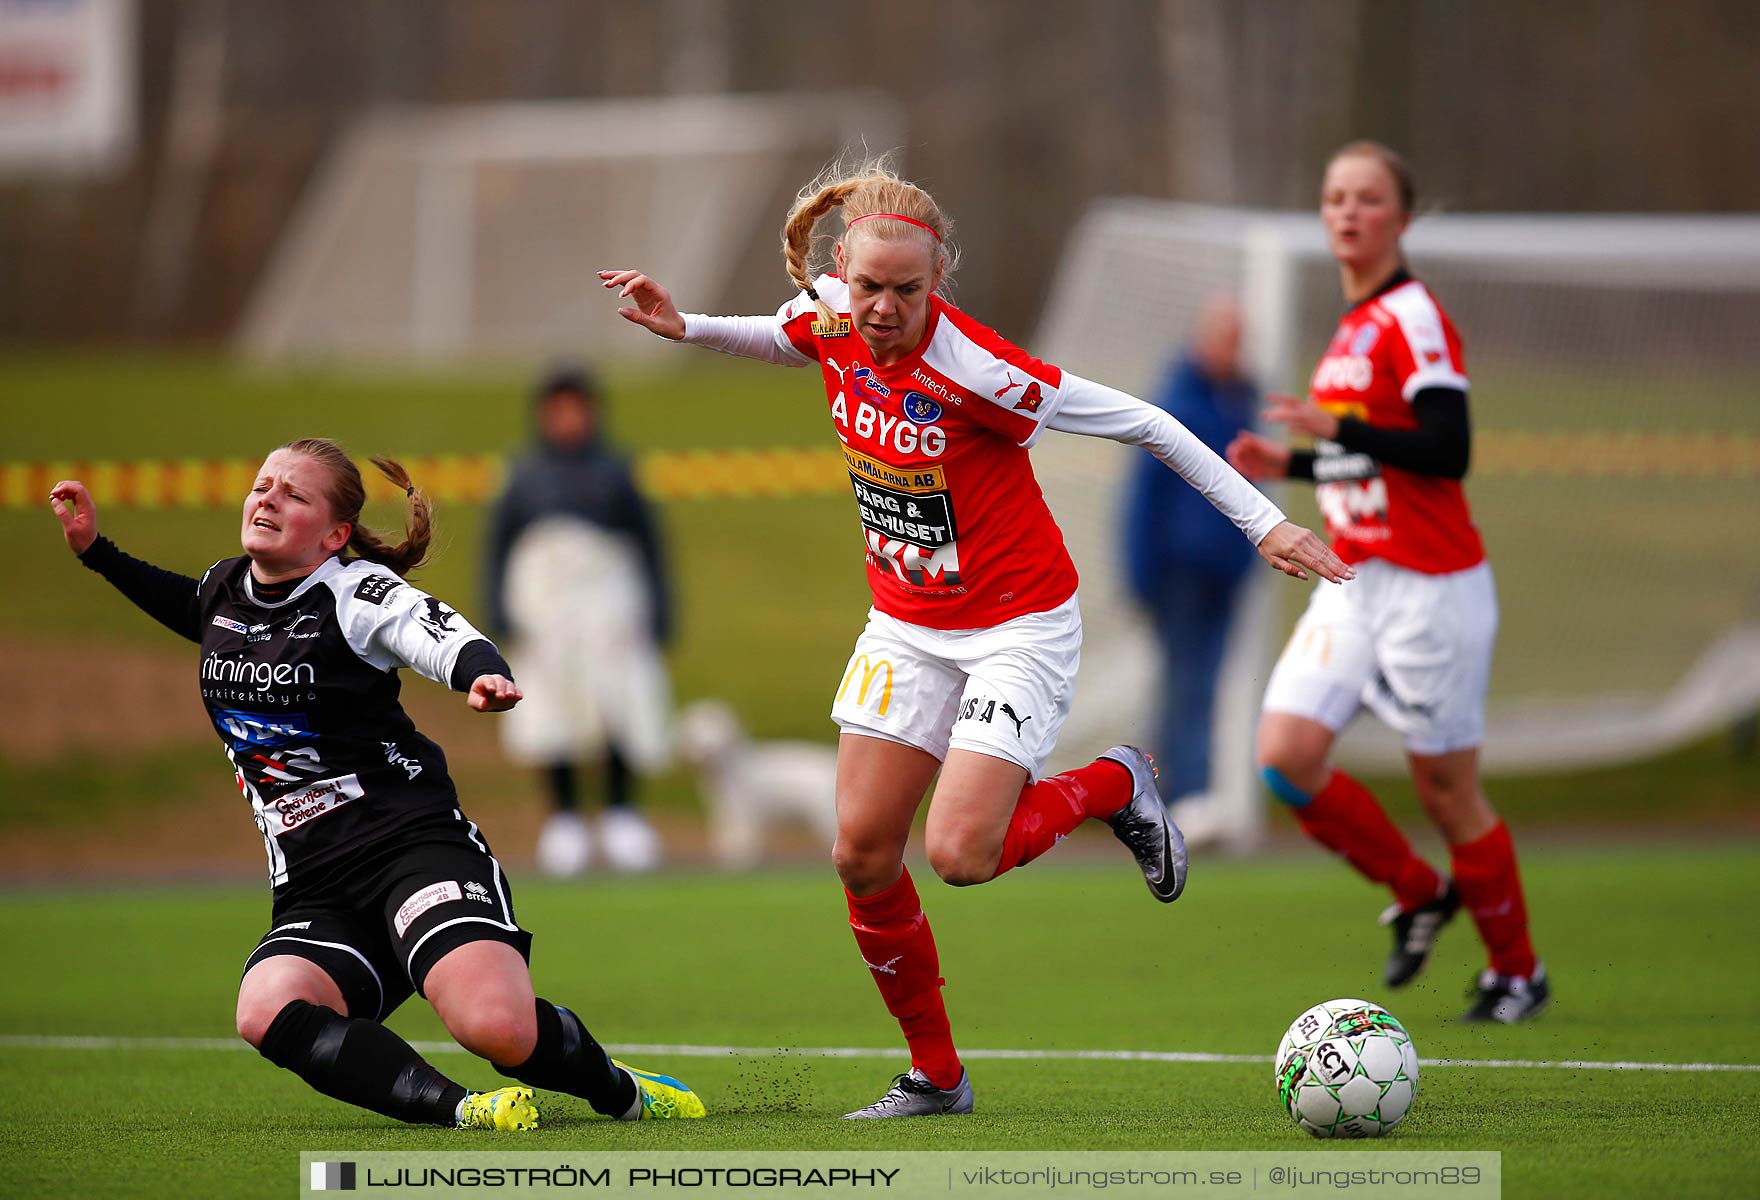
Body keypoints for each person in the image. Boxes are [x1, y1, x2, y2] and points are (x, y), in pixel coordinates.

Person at [599, 154, 1352, 1118]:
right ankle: (936, 1078)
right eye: (867, 286)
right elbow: (786, 334)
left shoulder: (983, 372)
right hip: (906, 626)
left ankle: (1114, 782)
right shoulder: (830, 310)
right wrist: (688, 325)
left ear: (937, 281)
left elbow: (1152, 424)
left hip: (1017, 625)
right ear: (843, 274)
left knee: (960, 853)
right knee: (861, 853)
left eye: (905, 292)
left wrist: (1265, 524)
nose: (880, 309)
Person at [48, 439, 705, 1127]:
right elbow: (189, 606)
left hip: (411, 848)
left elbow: (436, 632)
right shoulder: (223, 590)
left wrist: (478, 672)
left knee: (498, 1030)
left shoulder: (355, 592)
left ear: (334, 535)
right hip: (315, 883)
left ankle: (623, 1091)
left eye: (293, 494)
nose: (267, 497)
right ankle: (466, 1111)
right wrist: (98, 552)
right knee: (264, 1006)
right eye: (263, 484)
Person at [1226, 141, 1549, 1023]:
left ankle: (1517, 972)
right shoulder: (1353, 323)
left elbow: (1449, 451)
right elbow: (1363, 458)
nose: (1347, 212)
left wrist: (1336, 430)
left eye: (1367, 199)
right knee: (1286, 760)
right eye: (1334, 197)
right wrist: (1288, 460)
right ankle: (1418, 891)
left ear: (1401, 219)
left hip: (1431, 589)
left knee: (1447, 789)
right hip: (1354, 579)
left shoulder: (1412, 316)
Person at [486, 363, 674, 876]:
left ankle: (622, 814)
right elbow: (499, 547)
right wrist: (498, 612)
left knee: (620, 702)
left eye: (578, 408)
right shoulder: (522, 474)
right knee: (552, 707)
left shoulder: (616, 469)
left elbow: (649, 544)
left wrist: (660, 611)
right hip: (546, 610)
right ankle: (565, 820)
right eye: (558, 409)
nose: (568, 419)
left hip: (610, 604)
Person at [1122, 298, 1262, 819]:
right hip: (1178, 576)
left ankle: (1190, 798)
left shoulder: (1241, 401)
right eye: (1226, 337)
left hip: (1224, 576)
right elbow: (1144, 496)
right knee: (1183, 688)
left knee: (1206, 688)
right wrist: (1141, 572)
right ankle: (1175, 801)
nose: (1233, 349)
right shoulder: (1175, 401)